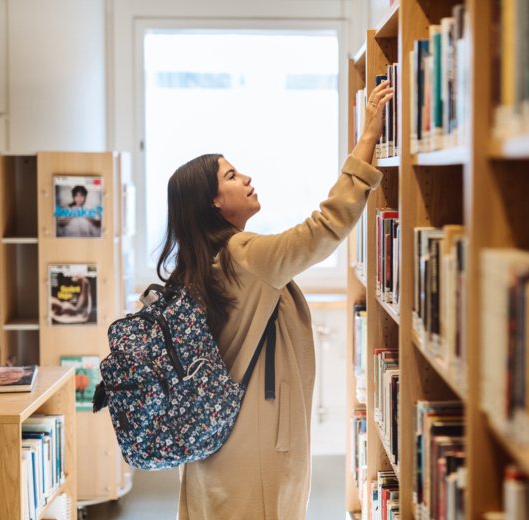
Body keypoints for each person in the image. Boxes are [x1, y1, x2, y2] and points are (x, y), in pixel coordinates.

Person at [157, 79, 393, 519]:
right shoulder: (243, 255)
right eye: (231, 175)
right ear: (213, 202)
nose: (246, 177)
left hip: (220, 447)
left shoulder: (202, 262)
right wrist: (367, 139)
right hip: (255, 448)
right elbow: (323, 229)